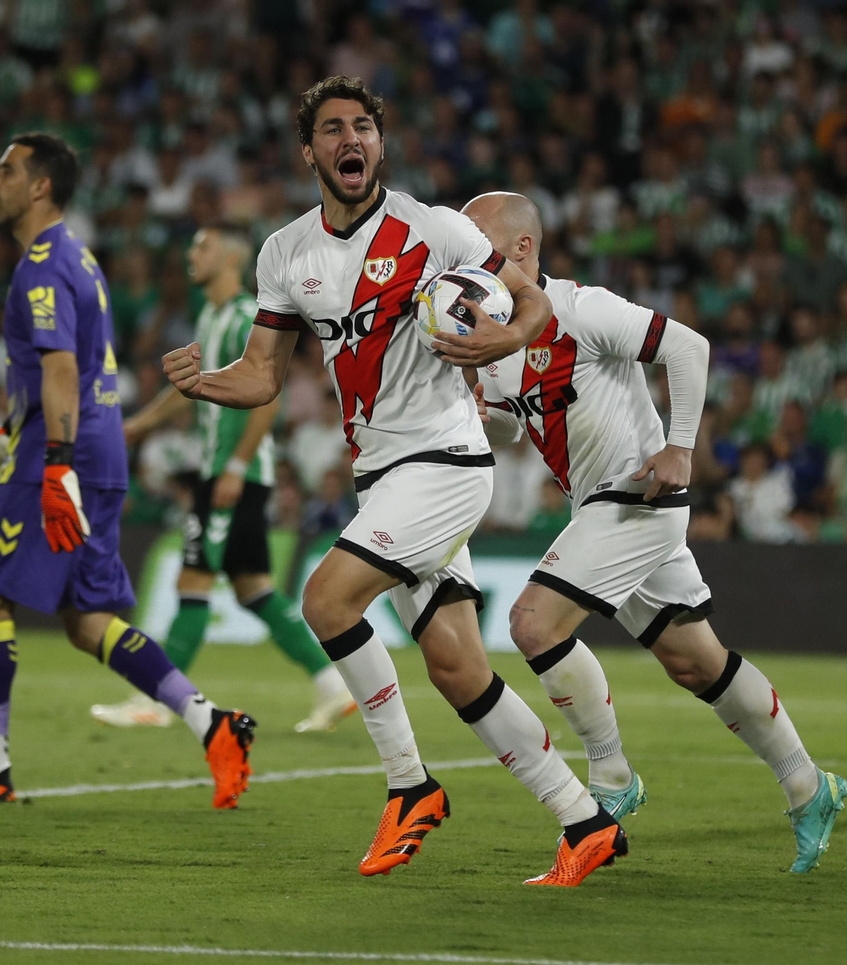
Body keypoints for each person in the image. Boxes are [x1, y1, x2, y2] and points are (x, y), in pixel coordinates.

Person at [162, 77, 620, 886]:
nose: (352, 140)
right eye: (334, 129)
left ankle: (410, 786)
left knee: (326, 600)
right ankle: (584, 821)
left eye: (364, 127)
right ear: (310, 151)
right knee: (456, 665)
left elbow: (534, 303)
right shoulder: (287, 253)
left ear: (380, 143)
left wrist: (498, 342)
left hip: (445, 462)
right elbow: (262, 375)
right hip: (383, 477)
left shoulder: (433, 229)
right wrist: (204, 384)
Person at [463, 191, 847, 874]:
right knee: (695, 660)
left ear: (522, 249)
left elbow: (687, 346)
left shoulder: (582, 308)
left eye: (479, 244)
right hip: (602, 509)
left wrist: (681, 445)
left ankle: (609, 782)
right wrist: (474, 403)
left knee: (531, 623)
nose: (467, 259)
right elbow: (504, 419)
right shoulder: (498, 344)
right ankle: (809, 785)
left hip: (643, 493)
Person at [0, 133, 255, 809]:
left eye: (6, 170)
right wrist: (7, 432)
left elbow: (62, 367)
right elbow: (72, 370)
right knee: (86, 618)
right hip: (96, 448)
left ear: (39, 186)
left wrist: (52, 463)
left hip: (62, 454)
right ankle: (212, 722)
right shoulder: (76, 258)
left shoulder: (42, 266)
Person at [96, 225, 354, 733]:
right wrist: (139, 425)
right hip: (231, 473)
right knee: (253, 588)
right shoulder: (211, 316)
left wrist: (235, 465)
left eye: (203, 245)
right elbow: (190, 389)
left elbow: (269, 392)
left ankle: (156, 698)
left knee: (192, 578)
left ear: (233, 259)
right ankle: (332, 686)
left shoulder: (242, 317)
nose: (193, 253)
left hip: (232, 474)